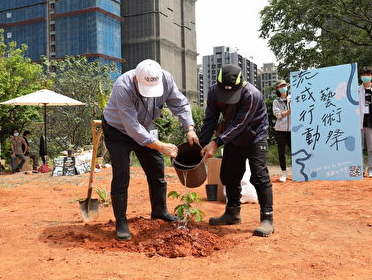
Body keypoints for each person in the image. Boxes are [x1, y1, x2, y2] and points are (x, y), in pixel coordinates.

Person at [102, 59, 199, 241]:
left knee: (156, 169)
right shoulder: (123, 86)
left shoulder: (167, 80)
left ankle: (159, 211)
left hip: (145, 128)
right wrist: (160, 145)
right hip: (118, 130)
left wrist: (190, 128)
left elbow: (180, 104)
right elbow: (131, 126)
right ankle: (121, 222)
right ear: (136, 80)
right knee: (122, 175)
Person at [199, 64, 275, 237]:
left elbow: (240, 124)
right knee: (229, 175)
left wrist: (216, 143)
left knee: (260, 176)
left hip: (255, 136)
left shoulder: (251, 94)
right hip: (232, 137)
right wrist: (201, 144)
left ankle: (267, 218)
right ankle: (232, 213)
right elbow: (210, 119)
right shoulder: (213, 93)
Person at [273, 79, 291, 182]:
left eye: (285, 85)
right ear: (278, 89)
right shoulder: (276, 101)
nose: (284, 87)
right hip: (280, 130)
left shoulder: (292, 99)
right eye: (281, 86)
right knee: (281, 152)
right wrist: (288, 112)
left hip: (292, 130)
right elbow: (278, 115)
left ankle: (298, 171)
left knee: (294, 151)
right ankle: (283, 173)